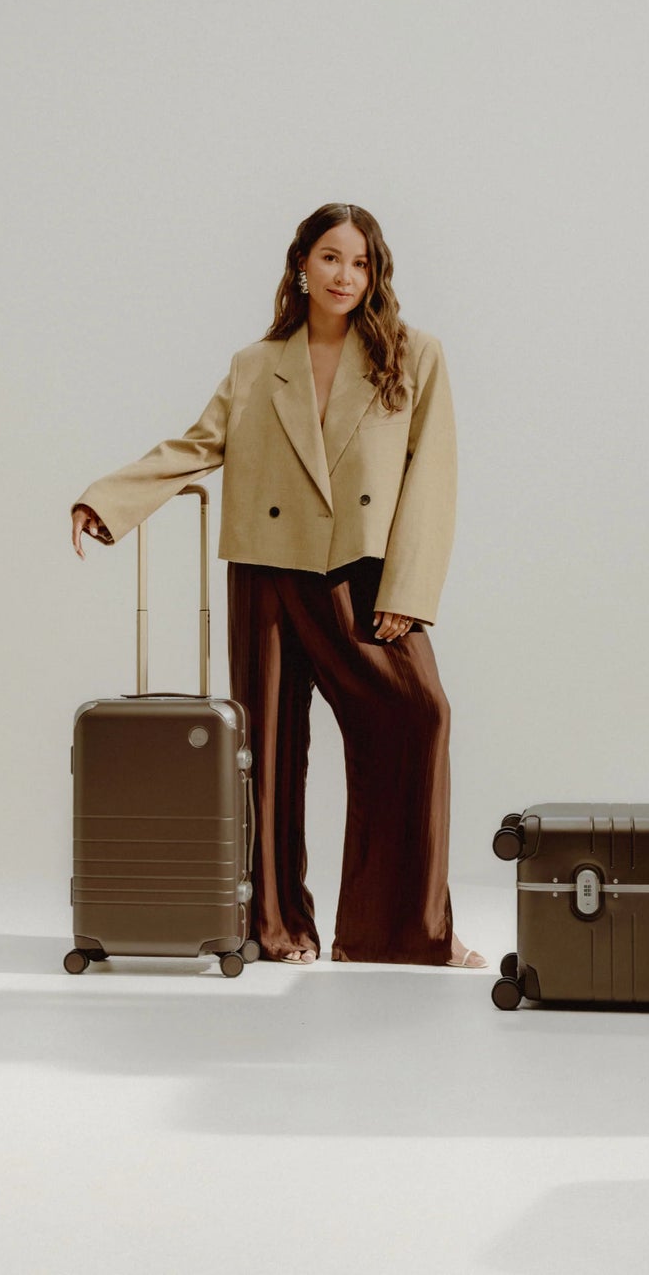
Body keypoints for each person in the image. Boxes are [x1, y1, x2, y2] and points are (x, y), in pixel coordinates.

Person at [71, 203, 483, 969]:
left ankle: (400, 933)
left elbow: (433, 479)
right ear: (302, 264)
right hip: (268, 568)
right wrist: (109, 500)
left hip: (364, 578)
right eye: (331, 258)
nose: (345, 276)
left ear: (376, 275)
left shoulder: (413, 355)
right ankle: (278, 928)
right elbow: (199, 445)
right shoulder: (257, 365)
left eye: (360, 264)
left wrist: (408, 588)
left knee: (419, 718)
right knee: (266, 750)